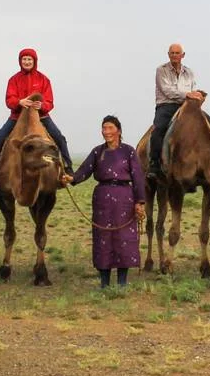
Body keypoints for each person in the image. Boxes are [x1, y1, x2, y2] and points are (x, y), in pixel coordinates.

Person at [62, 115, 147, 288]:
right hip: (102, 199)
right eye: (104, 128)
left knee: (123, 238)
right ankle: (104, 283)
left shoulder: (129, 151)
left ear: (118, 131)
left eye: (110, 128)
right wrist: (72, 178)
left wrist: (140, 201)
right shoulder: (97, 152)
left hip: (124, 198)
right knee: (103, 238)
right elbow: (84, 171)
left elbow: (137, 177)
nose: (106, 131)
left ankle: (122, 283)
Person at [0, 48, 72, 181]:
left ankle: (67, 167)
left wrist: (42, 106)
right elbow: (9, 99)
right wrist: (19, 102)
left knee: (59, 138)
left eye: (29, 59)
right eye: (24, 59)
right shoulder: (14, 80)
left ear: (34, 61)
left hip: (41, 117)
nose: (27, 62)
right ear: (20, 61)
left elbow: (50, 102)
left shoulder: (44, 79)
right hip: (17, 117)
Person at [148, 43, 210, 176]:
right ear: (168, 55)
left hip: (187, 105)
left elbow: (192, 90)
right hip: (166, 105)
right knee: (159, 128)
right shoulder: (161, 70)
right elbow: (167, 91)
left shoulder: (189, 72)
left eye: (177, 53)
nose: (174, 55)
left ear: (183, 55)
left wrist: (198, 96)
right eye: (172, 53)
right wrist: (188, 94)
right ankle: (154, 164)